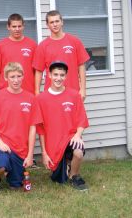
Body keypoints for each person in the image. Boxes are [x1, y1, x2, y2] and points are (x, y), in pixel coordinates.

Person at [33, 61, 89, 191]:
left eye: (62, 75)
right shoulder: (41, 99)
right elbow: (40, 130)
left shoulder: (74, 95)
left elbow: (82, 120)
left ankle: (74, 175)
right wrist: (44, 153)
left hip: (70, 137)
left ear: (66, 76)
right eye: (56, 74)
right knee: (59, 179)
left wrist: (77, 136)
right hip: (53, 144)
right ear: (49, 76)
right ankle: (64, 168)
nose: (59, 78)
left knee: (78, 151)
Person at [0, 62, 38, 194]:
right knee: (1, 166)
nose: (16, 80)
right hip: (2, 144)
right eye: (12, 76)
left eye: (19, 76)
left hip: (20, 148)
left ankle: (11, 173)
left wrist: (30, 154)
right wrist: (0, 142)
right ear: (6, 78)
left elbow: (33, 128)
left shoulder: (30, 98)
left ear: (23, 77)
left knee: (15, 185)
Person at [33, 10, 90, 100]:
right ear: (47, 25)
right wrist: (37, 92)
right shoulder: (43, 46)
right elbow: (39, 71)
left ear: (62, 22)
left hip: (73, 91)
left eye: (57, 21)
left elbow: (81, 66)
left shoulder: (74, 41)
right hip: (51, 93)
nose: (55, 24)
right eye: (51, 22)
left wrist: (83, 89)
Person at [0, 14, 37, 94]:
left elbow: (36, 71)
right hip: (6, 92)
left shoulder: (32, 45)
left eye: (19, 26)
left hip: (28, 91)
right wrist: (2, 88)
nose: (17, 29)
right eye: (14, 26)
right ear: (8, 27)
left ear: (23, 26)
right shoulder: (0, 46)